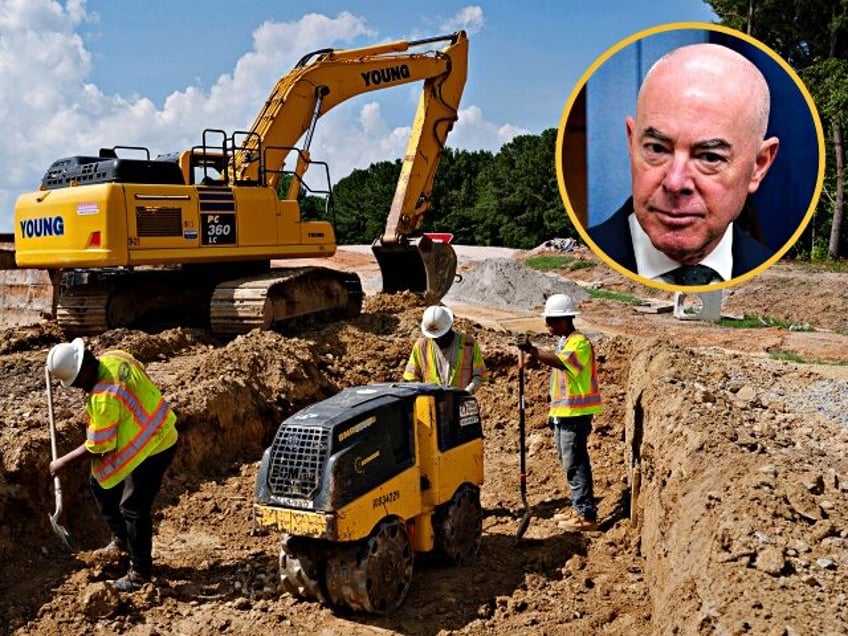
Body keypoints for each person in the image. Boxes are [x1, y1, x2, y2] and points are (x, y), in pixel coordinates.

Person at [589, 42, 780, 286]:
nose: (675, 182)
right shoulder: (579, 259)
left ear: (759, 166)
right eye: (657, 149)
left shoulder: (780, 281)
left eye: (710, 157)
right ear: (632, 142)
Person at [47, 338, 178, 592]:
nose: (77, 389)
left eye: (74, 383)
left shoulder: (103, 397)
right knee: (99, 483)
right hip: (153, 431)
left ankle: (140, 574)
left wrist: (61, 463)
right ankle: (122, 541)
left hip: (155, 445)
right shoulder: (115, 357)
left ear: (83, 370)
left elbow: (98, 446)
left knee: (133, 507)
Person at [515, 294, 601, 532]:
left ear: (564, 320)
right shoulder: (564, 342)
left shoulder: (579, 343)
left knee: (575, 463)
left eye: (551, 320)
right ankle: (577, 507)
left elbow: (562, 363)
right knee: (568, 462)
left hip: (576, 413)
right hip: (563, 413)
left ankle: (586, 515)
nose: (547, 325)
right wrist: (530, 354)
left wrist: (533, 349)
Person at [403, 305, 488, 394]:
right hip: (431, 402)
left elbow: (480, 375)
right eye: (434, 337)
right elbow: (411, 378)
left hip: (460, 401)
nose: (438, 339)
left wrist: (467, 392)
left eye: (441, 336)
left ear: (449, 327)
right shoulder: (421, 347)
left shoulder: (468, 344)